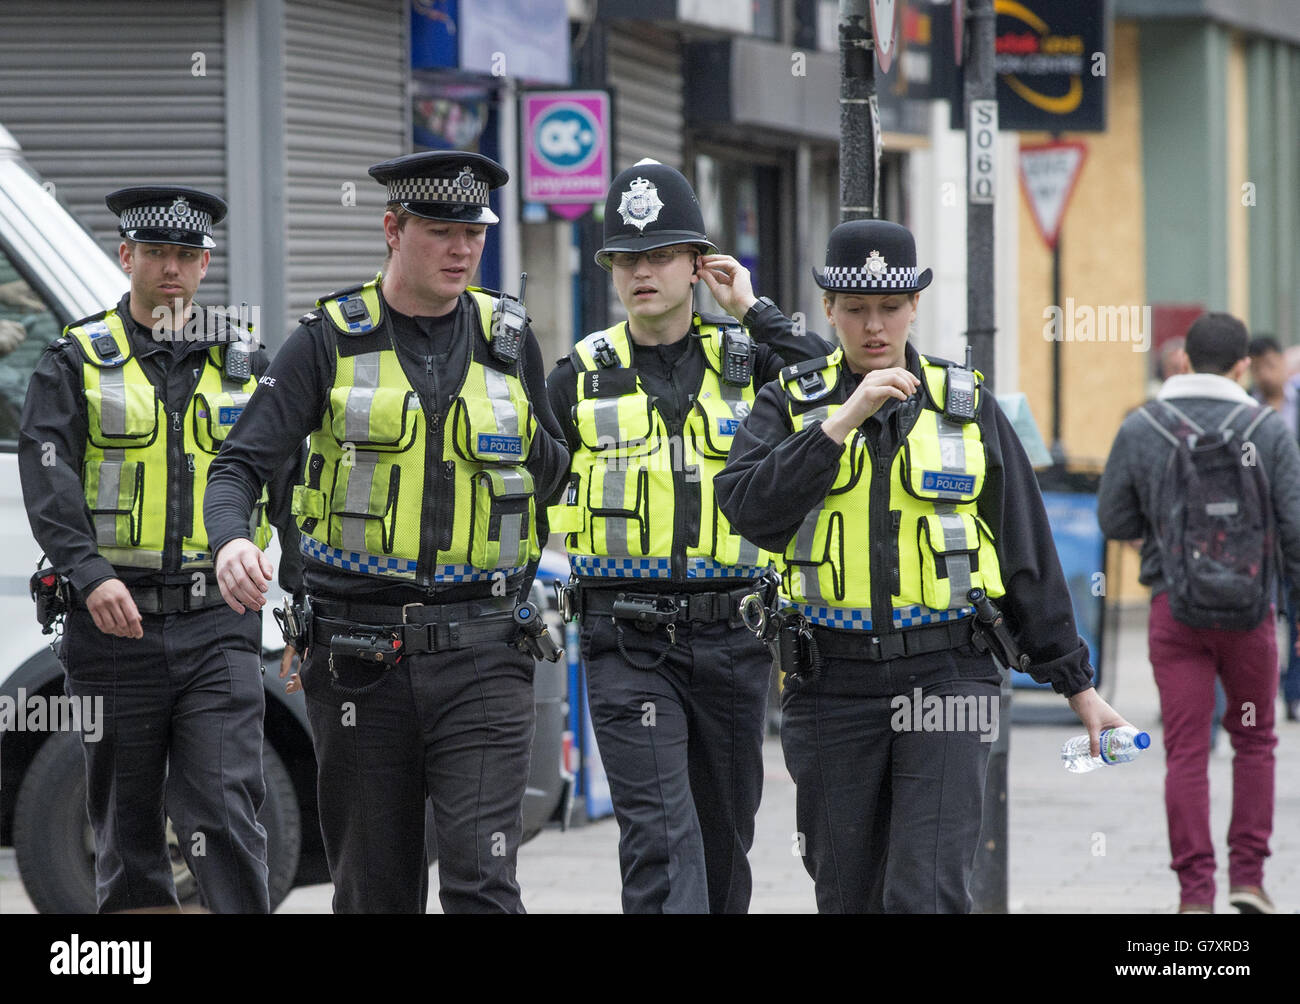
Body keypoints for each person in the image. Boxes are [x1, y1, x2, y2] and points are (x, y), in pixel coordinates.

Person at [714, 218, 1128, 913]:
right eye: (855, 309)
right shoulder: (792, 402)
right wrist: (839, 423)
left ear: (914, 307)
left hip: (949, 674)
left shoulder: (967, 410)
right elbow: (749, 508)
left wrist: (1078, 687)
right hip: (829, 681)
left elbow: (1027, 552)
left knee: (927, 891)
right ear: (829, 311)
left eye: (889, 307)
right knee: (847, 893)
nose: (874, 326)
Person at [204, 151, 569, 914]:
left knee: (482, 882)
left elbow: (552, 477)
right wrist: (233, 539)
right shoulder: (327, 341)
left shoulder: (509, 341)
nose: (462, 248)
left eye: (472, 231)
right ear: (392, 229)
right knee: (375, 889)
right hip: (360, 661)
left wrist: (522, 440)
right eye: (441, 230)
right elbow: (239, 464)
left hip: (487, 652)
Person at [544, 159, 822, 913]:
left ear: (697, 266)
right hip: (624, 641)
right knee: (662, 843)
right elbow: (528, 491)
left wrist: (756, 310)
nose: (642, 271)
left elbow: (835, 390)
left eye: (661, 255)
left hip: (734, 641)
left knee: (724, 845)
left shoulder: (750, 360)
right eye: (627, 258)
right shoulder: (576, 376)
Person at [17, 186, 302, 913]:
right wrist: (87, 574)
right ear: (127, 257)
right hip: (113, 629)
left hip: (218, 626)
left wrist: (301, 600)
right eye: (155, 253)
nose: (170, 269)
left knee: (224, 809)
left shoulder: (249, 364)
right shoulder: (74, 359)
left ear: (206, 265)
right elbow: (49, 479)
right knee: (126, 830)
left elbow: (294, 485)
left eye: (185, 255)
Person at [1100, 312, 1300, 914]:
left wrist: (1165, 542)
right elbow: (1294, 532)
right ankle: (1249, 878)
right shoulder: (1269, 430)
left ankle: (1194, 896)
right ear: (1243, 366)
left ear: (1183, 359)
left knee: (1186, 751)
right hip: (1250, 617)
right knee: (1255, 742)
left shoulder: (1142, 429)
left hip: (1174, 613)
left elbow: (1114, 520)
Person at [1248, 334, 1300, 723]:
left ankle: (1293, 694)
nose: (1268, 372)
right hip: (1259, 532)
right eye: (1259, 365)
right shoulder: (1246, 411)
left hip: (1295, 526)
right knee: (1264, 611)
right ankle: (1262, 693)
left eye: (1273, 363)